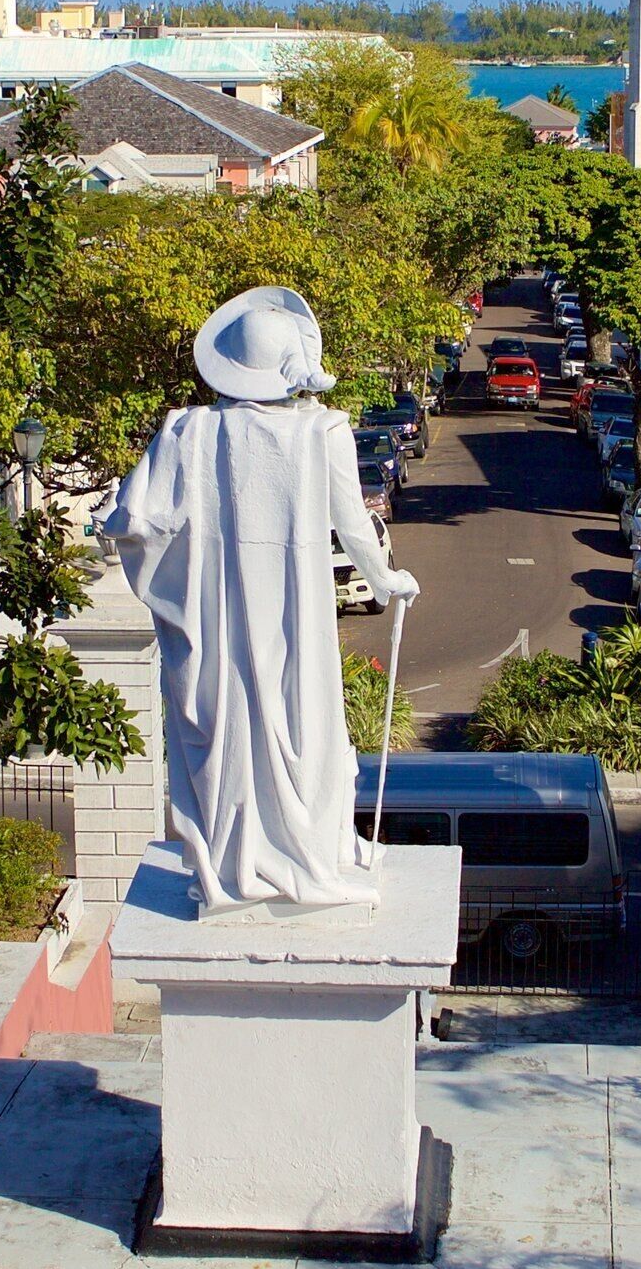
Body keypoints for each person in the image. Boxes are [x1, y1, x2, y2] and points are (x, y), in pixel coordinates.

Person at [103, 286, 420, 914]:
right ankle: (311, 851)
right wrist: (386, 580)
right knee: (304, 720)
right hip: (295, 616)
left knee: (230, 724)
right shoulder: (323, 430)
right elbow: (354, 525)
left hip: (217, 616)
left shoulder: (189, 431)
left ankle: (244, 855)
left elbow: (134, 521)